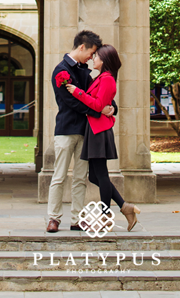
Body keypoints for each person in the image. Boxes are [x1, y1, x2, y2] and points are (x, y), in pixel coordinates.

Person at [46, 30, 116, 233]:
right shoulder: (60, 71)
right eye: (92, 52)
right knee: (58, 176)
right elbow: (70, 102)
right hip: (66, 130)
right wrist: (97, 109)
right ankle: (54, 218)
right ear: (82, 47)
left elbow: (98, 95)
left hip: (86, 132)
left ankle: (76, 219)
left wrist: (112, 108)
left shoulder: (86, 72)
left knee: (80, 178)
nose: (92, 57)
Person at [66, 43, 141, 231]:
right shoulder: (100, 78)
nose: (93, 58)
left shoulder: (107, 79)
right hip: (94, 129)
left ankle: (106, 215)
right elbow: (104, 104)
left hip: (99, 130)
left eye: (96, 56)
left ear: (105, 60)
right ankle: (125, 207)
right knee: (95, 176)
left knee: (101, 174)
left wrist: (77, 92)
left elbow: (98, 105)